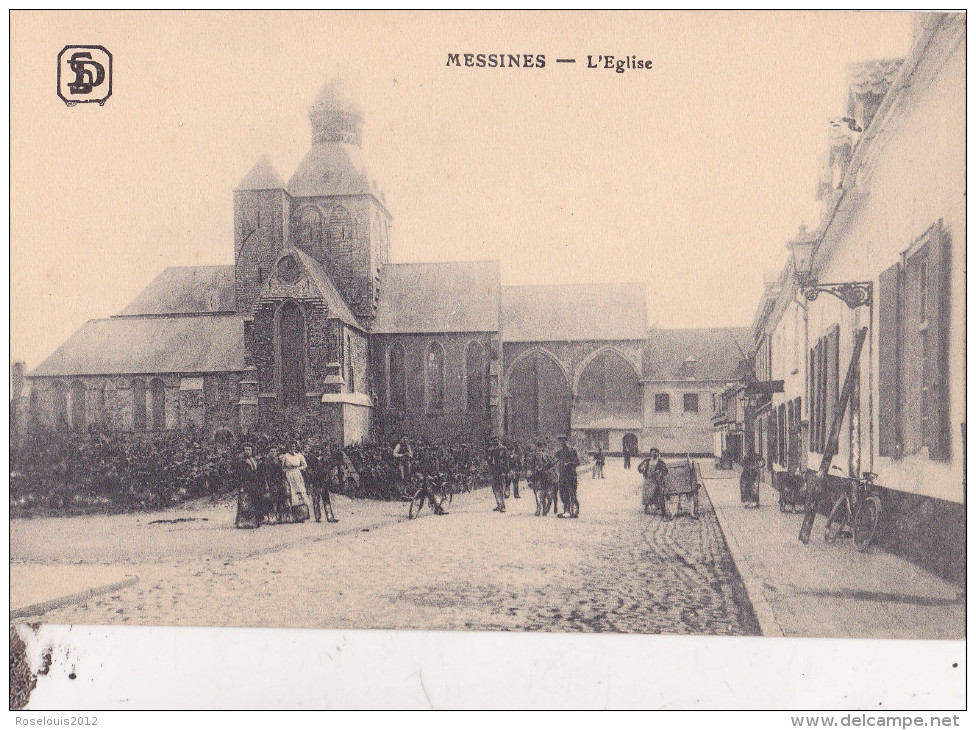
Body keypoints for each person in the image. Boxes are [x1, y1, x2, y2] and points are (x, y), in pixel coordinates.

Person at [233, 442, 263, 529]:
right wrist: (241, 486)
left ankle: (254, 521)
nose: (247, 451)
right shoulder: (241, 462)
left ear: (252, 451)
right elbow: (239, 475)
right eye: (246, 450)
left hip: (255, 483)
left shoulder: (255, 460)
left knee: (255, 501)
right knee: (244, 503)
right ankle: (242, 522)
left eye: (249, 450)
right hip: (246, 483)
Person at [281, 440, 311, 523]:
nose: (292, 448)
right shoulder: (285, 456)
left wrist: (298, 469)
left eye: (294, 447)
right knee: (291, 494)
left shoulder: (299, 456)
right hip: (289, 476)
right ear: (288, 447)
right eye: (291, 447)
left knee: (300, 494)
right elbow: (282, 467)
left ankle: (301, 516)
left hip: (297, 476)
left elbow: (305, 465)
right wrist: (287, 471)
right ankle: (291, 516)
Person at [308, 445, 339, 523]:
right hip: (315, 483)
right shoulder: (311, 461)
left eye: (319, 450)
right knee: (316, 500)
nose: (318, 451)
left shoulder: (325, 460)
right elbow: (310, 473)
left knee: (326, 500)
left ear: (321, 451)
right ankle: (317, 517)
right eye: (316, 450)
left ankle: (330, 517)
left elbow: (329, 469)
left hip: (324, 483)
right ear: (314, 451)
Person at [261, 445, 288, 523]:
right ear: (269, 452)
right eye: (272, 451)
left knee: (279, 499)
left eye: (275, 451)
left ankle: (279, 516)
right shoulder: (266, 462)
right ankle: (270, 516)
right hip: (270, 482)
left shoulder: (279, 460)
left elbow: (281, 472)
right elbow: (264, 474)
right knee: (270, 500)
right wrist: (266, 484)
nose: (273, 453)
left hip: (278, 482)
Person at [555, 435, 581, 518]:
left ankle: (575, 511)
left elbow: (577, 462)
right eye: (561, 441)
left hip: (571, 475)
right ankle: (566, 511)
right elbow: (554, 461)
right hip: (562, 475)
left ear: (567, 441)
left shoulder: (572, 451)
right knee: (563, 493)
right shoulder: (559, 452)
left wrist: (569, 464)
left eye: (564, 441)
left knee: (572, 493)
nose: (562, 443)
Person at [639, 448, 669, 515]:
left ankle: (662, 510)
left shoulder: (660, 462)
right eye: (653, 452)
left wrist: (659, 472)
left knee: (659, 494)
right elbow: (640, 468)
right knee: (646, 494)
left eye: (655, 452)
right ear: (650, 453)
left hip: (657, 481)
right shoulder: (647, 461)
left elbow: (665, 470)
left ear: (658, 453)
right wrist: (642, 469)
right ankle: (646, 508)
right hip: (648, 480)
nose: (654, 454)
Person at [486, 436, 509, 512]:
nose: (494, 442)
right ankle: (498, 504)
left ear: (498, 441)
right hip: (494, 471)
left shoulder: (503, 448)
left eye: (496, 441)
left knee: (500, 487)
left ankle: (503, 506)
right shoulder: (491, 450)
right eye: (493, 441)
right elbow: (489, 460)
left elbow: (506, 461)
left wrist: (504, 471)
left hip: (500, 471)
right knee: (494, 488)